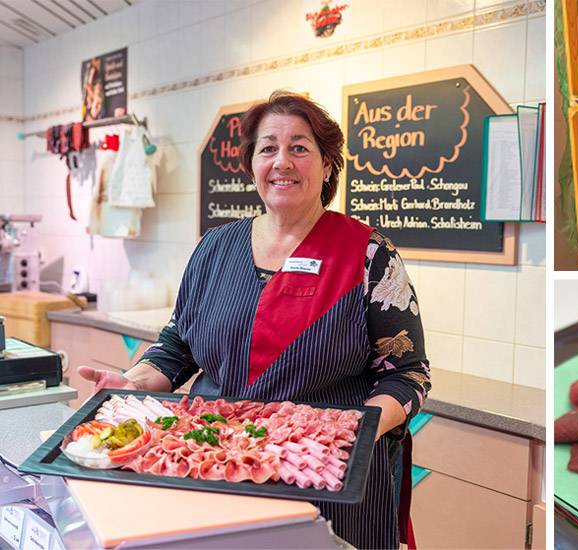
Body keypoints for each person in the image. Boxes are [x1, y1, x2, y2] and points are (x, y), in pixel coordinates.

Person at [77, 91, 430, 549]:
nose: (282, 161)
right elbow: (178, 344)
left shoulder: (368, 256)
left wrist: (348, 432)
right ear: (251, 166)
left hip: (323, 479)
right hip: (210, 466)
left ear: (327, 166)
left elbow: (408, 374)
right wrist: (134, 384)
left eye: (299, 148)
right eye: (268, 148)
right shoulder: (215, 247)